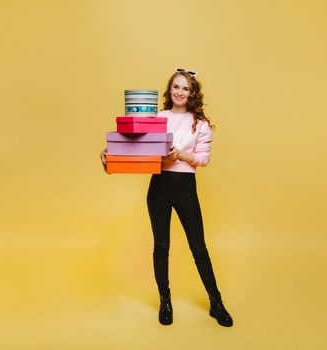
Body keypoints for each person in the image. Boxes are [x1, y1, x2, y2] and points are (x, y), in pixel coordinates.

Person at [100, 69, 233, 327]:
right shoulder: (157, 118)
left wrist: (179, 155)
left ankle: (216, 303)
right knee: (161, 247)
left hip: (185, 187)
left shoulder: (200, 123)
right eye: (176, 87)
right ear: (169, 90)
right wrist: (109, 152)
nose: (179, 92)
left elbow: (204, 159)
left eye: (185, 88)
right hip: (159, 187)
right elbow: (134, 146)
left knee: (199, 248)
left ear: (192, 93)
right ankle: (165, 301)